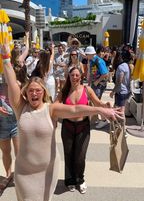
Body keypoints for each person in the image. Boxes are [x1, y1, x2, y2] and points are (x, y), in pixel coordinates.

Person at [1, 38, 122, 201]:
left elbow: (75, 109)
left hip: (47, 169)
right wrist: (6, 59)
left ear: (43, 92)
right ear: (26, 93)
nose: (34, 94)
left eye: (38, 90)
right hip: (24, 170)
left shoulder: (51, 109)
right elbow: (11, 82)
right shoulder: (20, 108)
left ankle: (78, 179)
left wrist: (100, 109)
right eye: (31, 91)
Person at [55, 66, 111, 194]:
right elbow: (55, 105)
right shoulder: (64, 91)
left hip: (83, 127)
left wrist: (105, 106)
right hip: (68, 127)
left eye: (76, 75)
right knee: (68, 154)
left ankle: (80, 180)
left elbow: (97, 102)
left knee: (80, 155)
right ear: (68, 76)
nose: (74, 77)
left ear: (81, 76)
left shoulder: (87, 89)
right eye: (72, 75)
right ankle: (70, 180)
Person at [0, 81, 18, 192]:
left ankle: (21, 176)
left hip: (17, 123)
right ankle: (8, 175)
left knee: (20, 153)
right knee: (5, 151)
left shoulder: (18, 84)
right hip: (2, 125)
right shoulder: (0, 85)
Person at [85, 46, 109, 129]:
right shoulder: (92, 60)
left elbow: (105, 73)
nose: (86, 56)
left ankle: (104, 120)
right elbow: (93, 73)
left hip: (99, 85)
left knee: (97, 103)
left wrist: (96, 82)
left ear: (90, 54)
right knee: (96, 102)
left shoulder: (98, 61)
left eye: (87, 54)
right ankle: (101, 118)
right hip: (95, 84)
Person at [110, 50, 132, 134]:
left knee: (120, 112)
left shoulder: (121, 67)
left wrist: (113, 91)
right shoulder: (127, 65)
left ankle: (122, 130)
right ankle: (120, 128)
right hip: (126, 91)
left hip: (121, 92)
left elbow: (119, 81)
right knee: (119, 110)